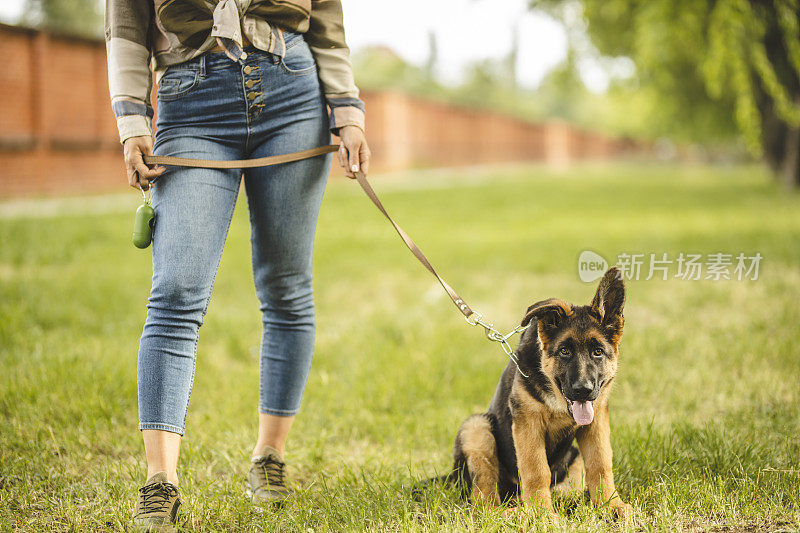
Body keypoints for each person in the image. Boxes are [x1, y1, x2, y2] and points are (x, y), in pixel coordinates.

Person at [104, 0, 370, 529]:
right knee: (176, 291)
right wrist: (132, 118)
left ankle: (269, 458)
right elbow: (126, 22)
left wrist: (347, 109)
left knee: (286, 288)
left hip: (293, 93)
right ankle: (161, 483)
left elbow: (328, 20)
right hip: (190, 98)